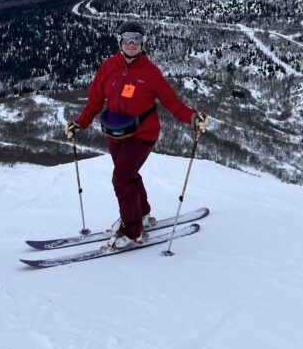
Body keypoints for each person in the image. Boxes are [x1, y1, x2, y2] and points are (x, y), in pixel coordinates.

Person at [66, 20, 208, 250]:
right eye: (127, 38)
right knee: (129, 176)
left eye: (137, 39)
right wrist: (79, 124)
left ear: (143, 43)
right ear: (119, 41)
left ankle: (133, 231)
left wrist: (192, 117)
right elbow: (94, 101)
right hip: (116, 132)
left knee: (121, 179)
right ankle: (142, 215)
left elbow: (172, 102)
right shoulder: (108, 67)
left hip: (143, 133)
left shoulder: (150, 72)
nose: (132, 43)